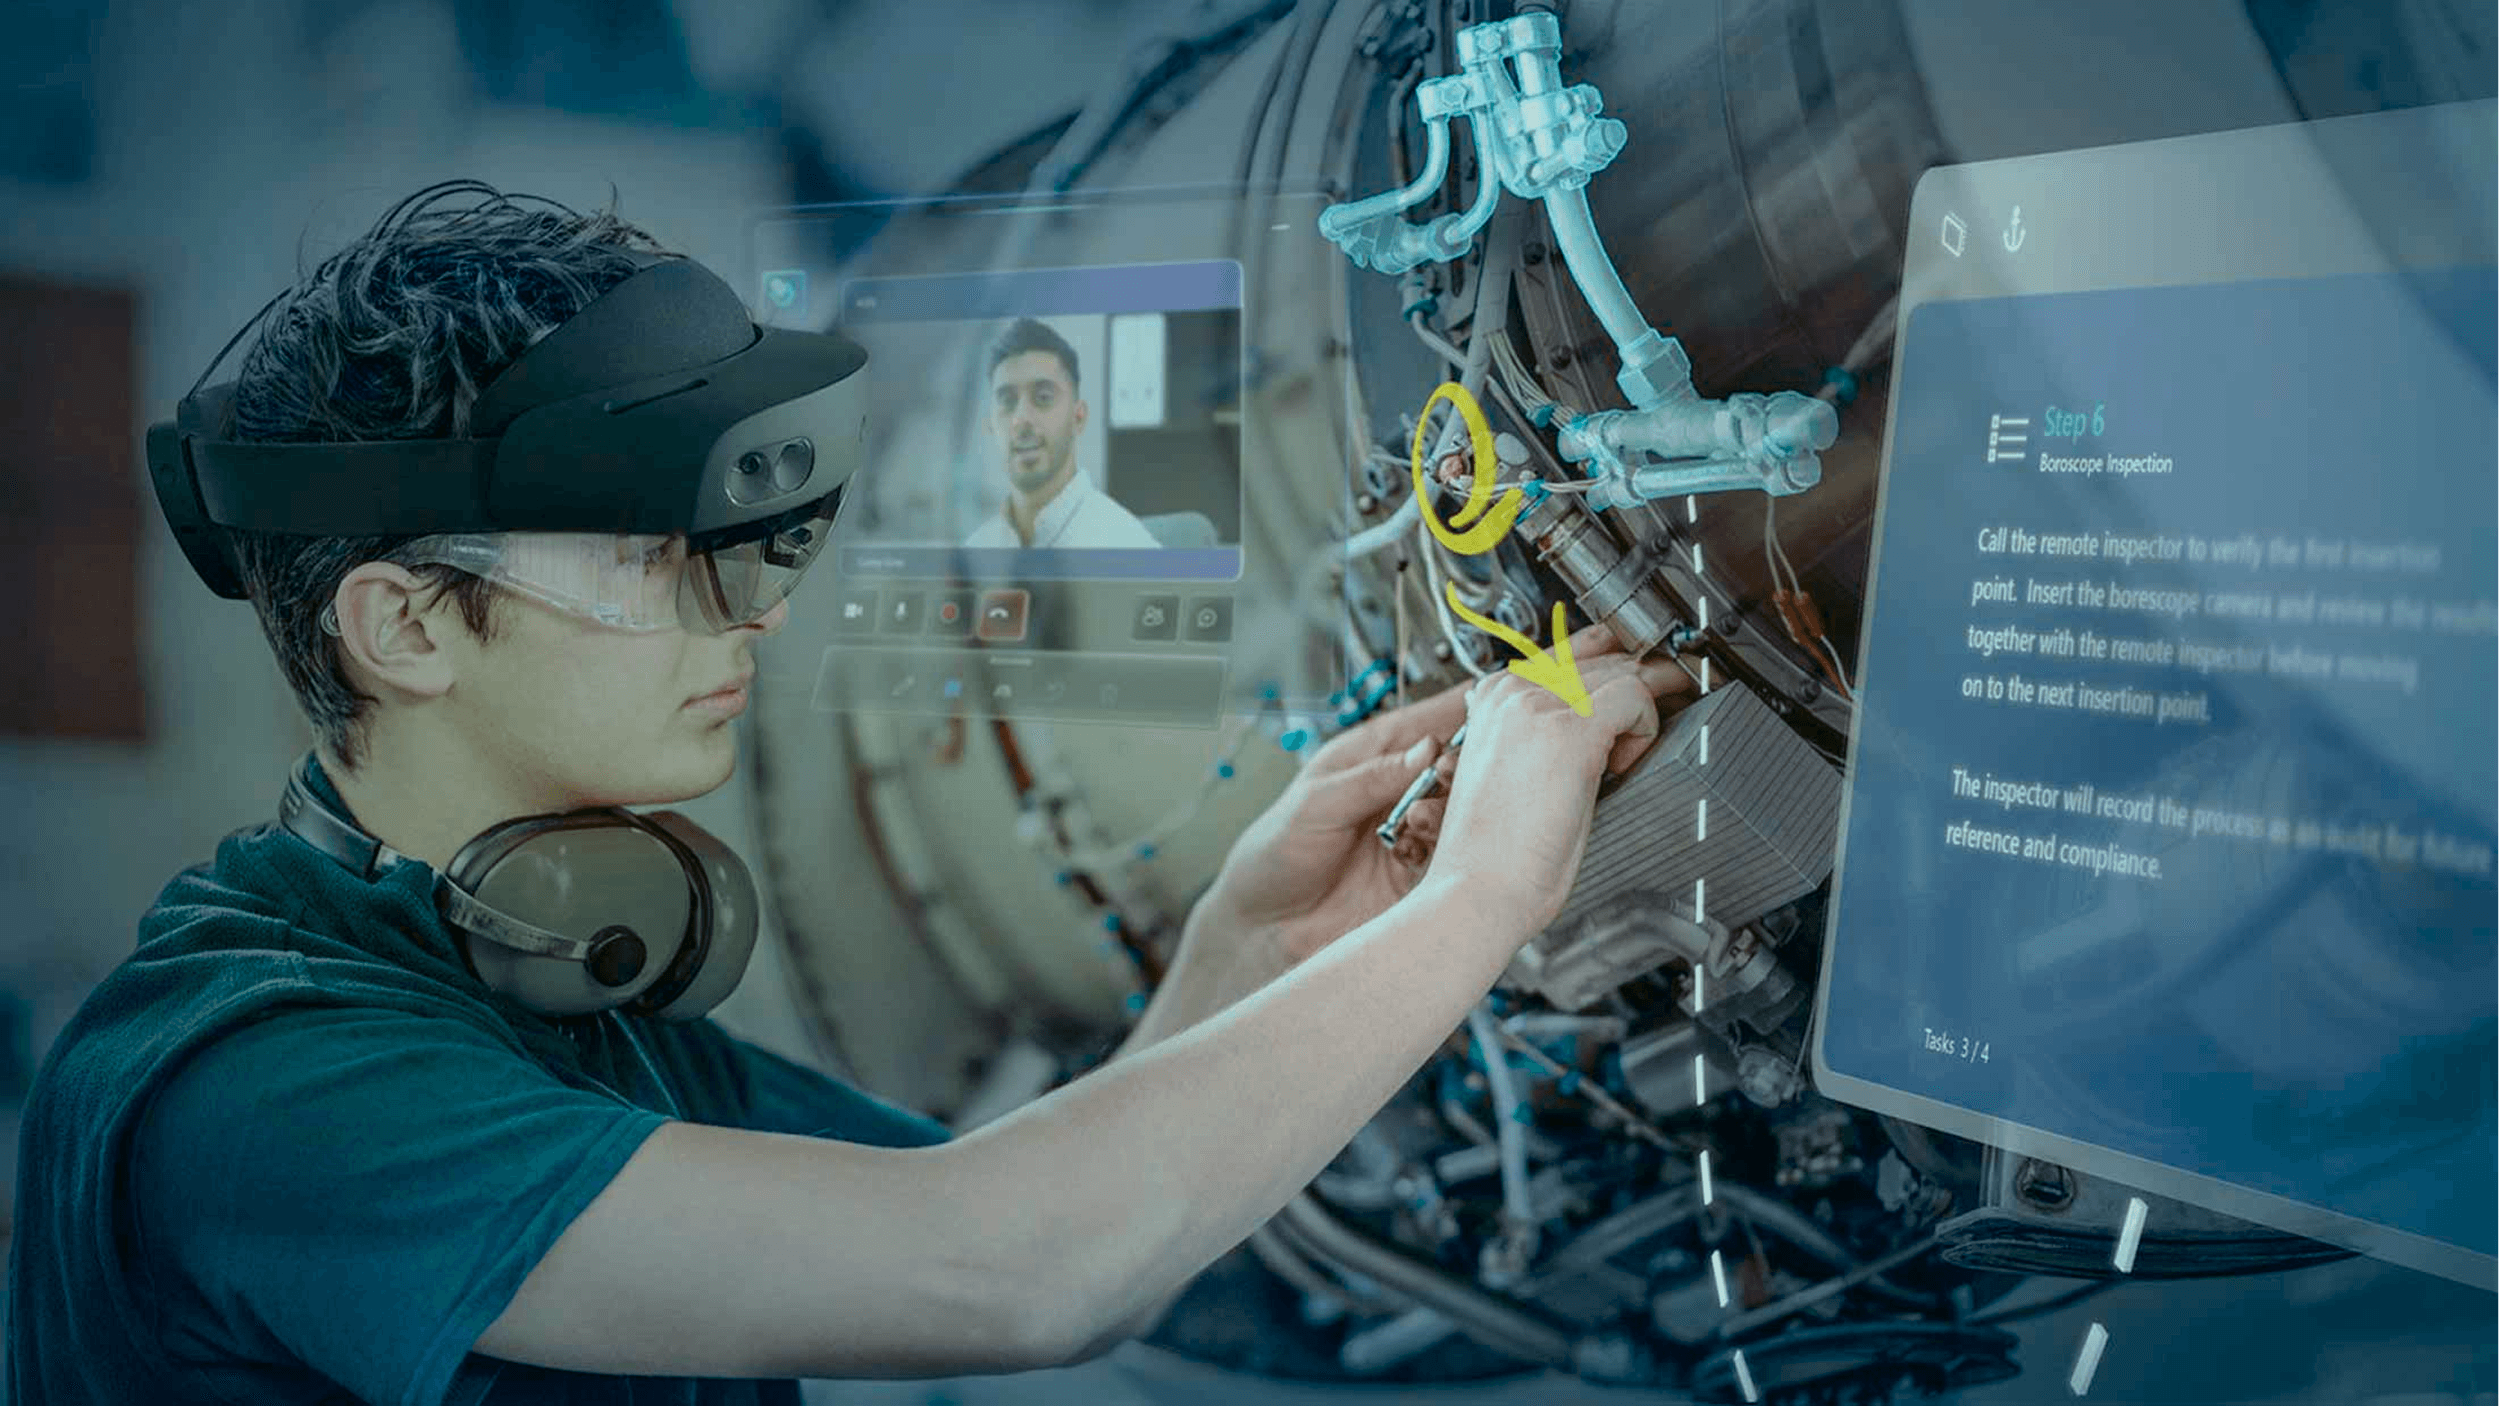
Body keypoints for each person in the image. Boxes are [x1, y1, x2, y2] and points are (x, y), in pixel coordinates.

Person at [4, 183, 1695, 1404]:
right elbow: (1006, 1272)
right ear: (408, 627)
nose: (751, 613)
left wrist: (1247, 939)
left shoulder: (553, 986)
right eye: (653, 559)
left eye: (743, 548)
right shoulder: (265, 1093)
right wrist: (1485, 893)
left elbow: (1050, 1224)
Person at [961, 317, 1163, 550]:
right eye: (1007, 401)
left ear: (1078, 418)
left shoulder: (1127, 545)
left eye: (1043, 398)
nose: (1022, 419)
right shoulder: (975, 550)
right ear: (990, 425)